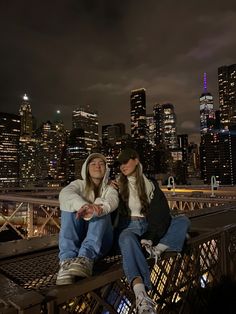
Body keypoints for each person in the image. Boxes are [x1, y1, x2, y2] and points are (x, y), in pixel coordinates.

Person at [112, 148, 190, 314]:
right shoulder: (117, 185)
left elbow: (160, 213)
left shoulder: (150, 184)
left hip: (147, 226)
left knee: (182, 220)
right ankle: (141, 293)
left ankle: (157, 248)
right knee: (126, 238)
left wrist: (150, 237)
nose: (122, 166)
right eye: (120, 164)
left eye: (126, 161)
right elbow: (107, 205)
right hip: (129, 226)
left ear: (136, 160)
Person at [56, 153, 119, 285]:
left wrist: (96, 209)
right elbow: (65, 193)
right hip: (79, 238)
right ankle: (67, 261)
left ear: (106, 169)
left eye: (101, 164)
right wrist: (84, 206)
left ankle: (86, 258)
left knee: (100, 207)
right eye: (93, 163)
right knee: (69, 206)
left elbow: (112, 200)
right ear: (86, 168)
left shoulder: (109, 188)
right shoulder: (78, 184)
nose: (97, 166)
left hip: (102, 241)